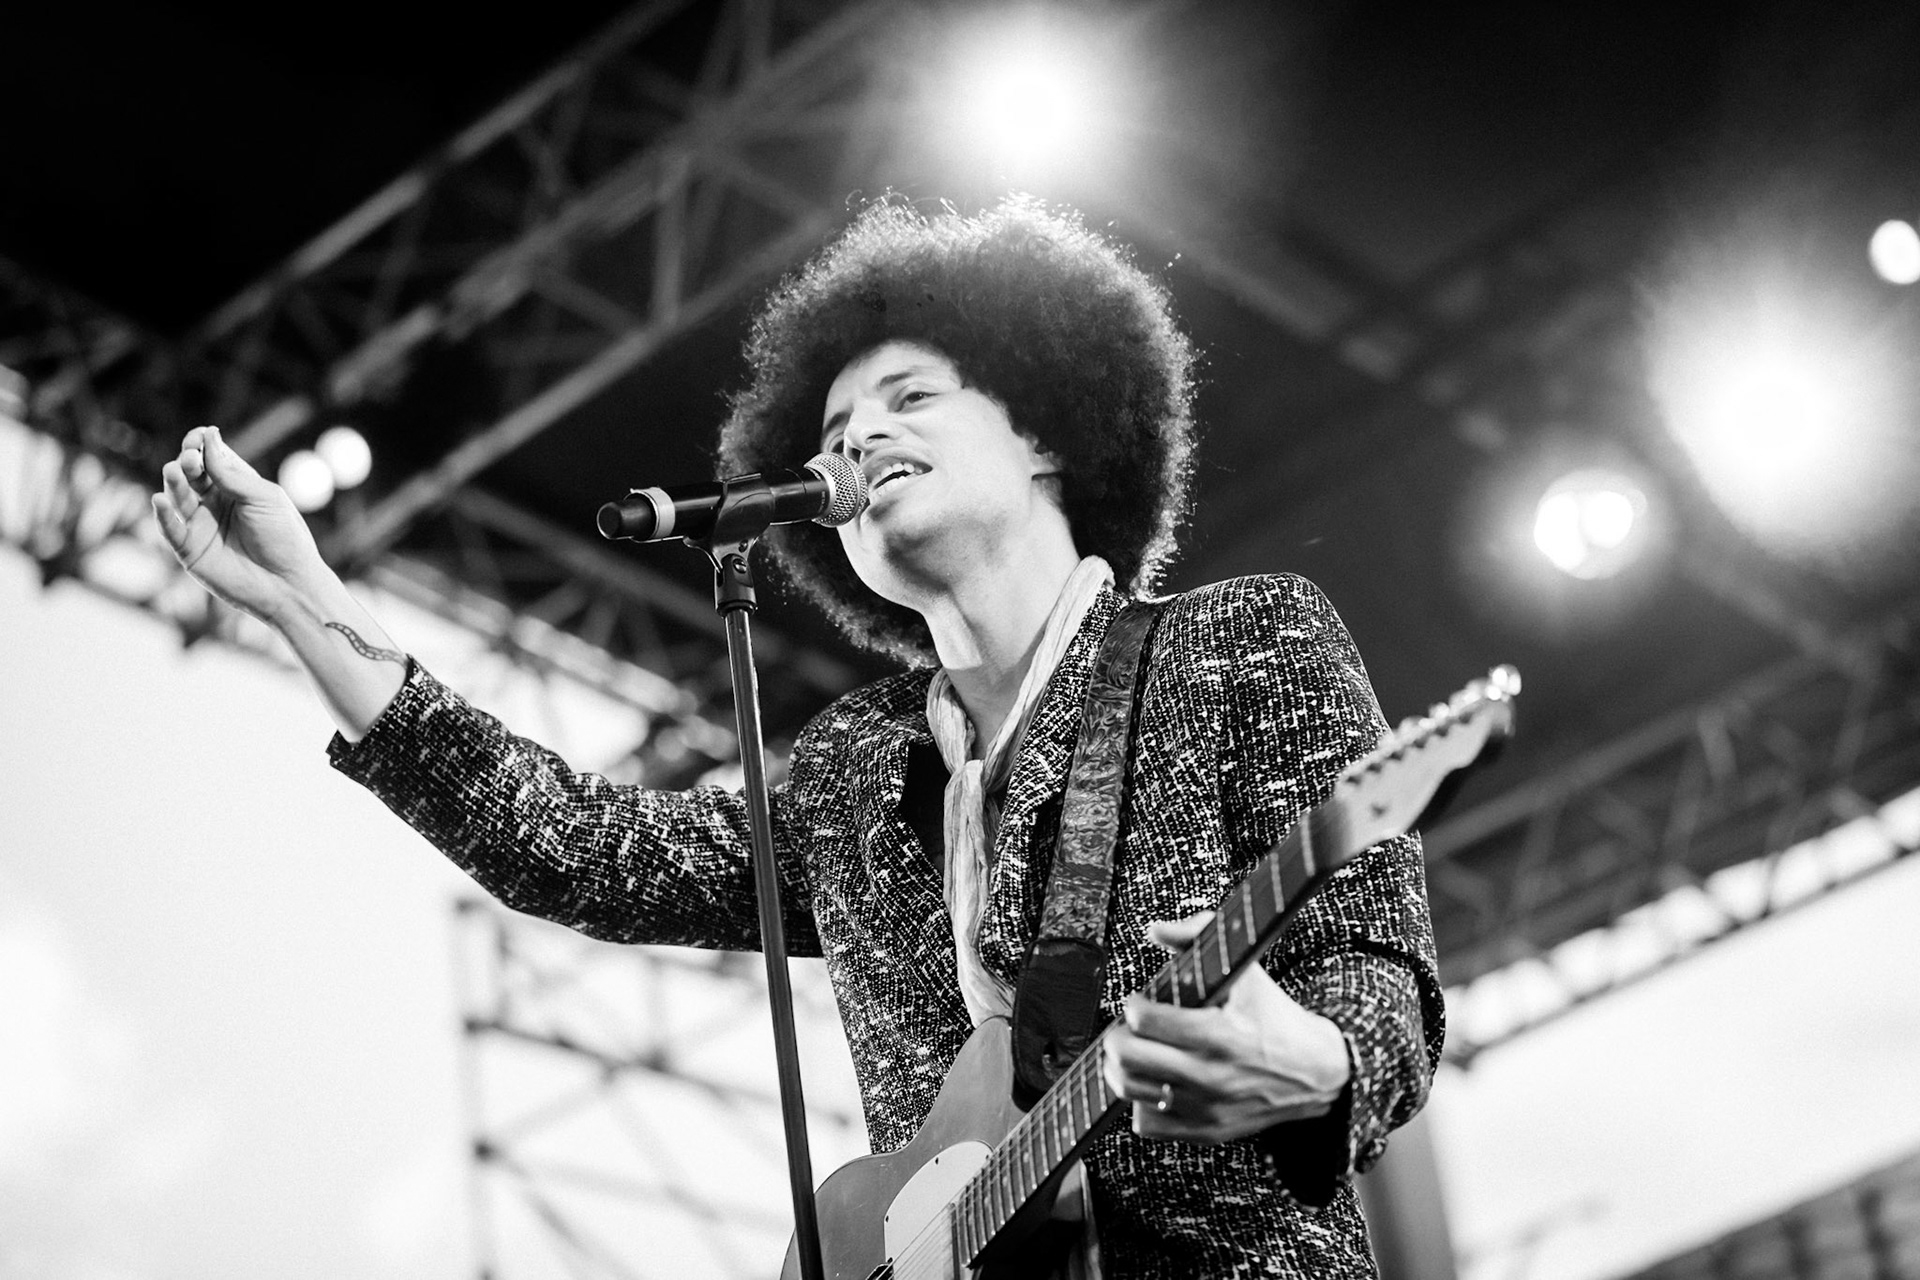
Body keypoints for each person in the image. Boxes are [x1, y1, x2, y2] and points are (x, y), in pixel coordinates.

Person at [151, 197, 1443, 1278]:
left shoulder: (1242, 643)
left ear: (1047, 427)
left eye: (908, 399)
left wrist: (1319, 1063)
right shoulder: (854, 771)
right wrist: (303, 598)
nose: (860, 440)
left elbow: (1379, 971)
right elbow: (580, 851)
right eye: (830, 436)